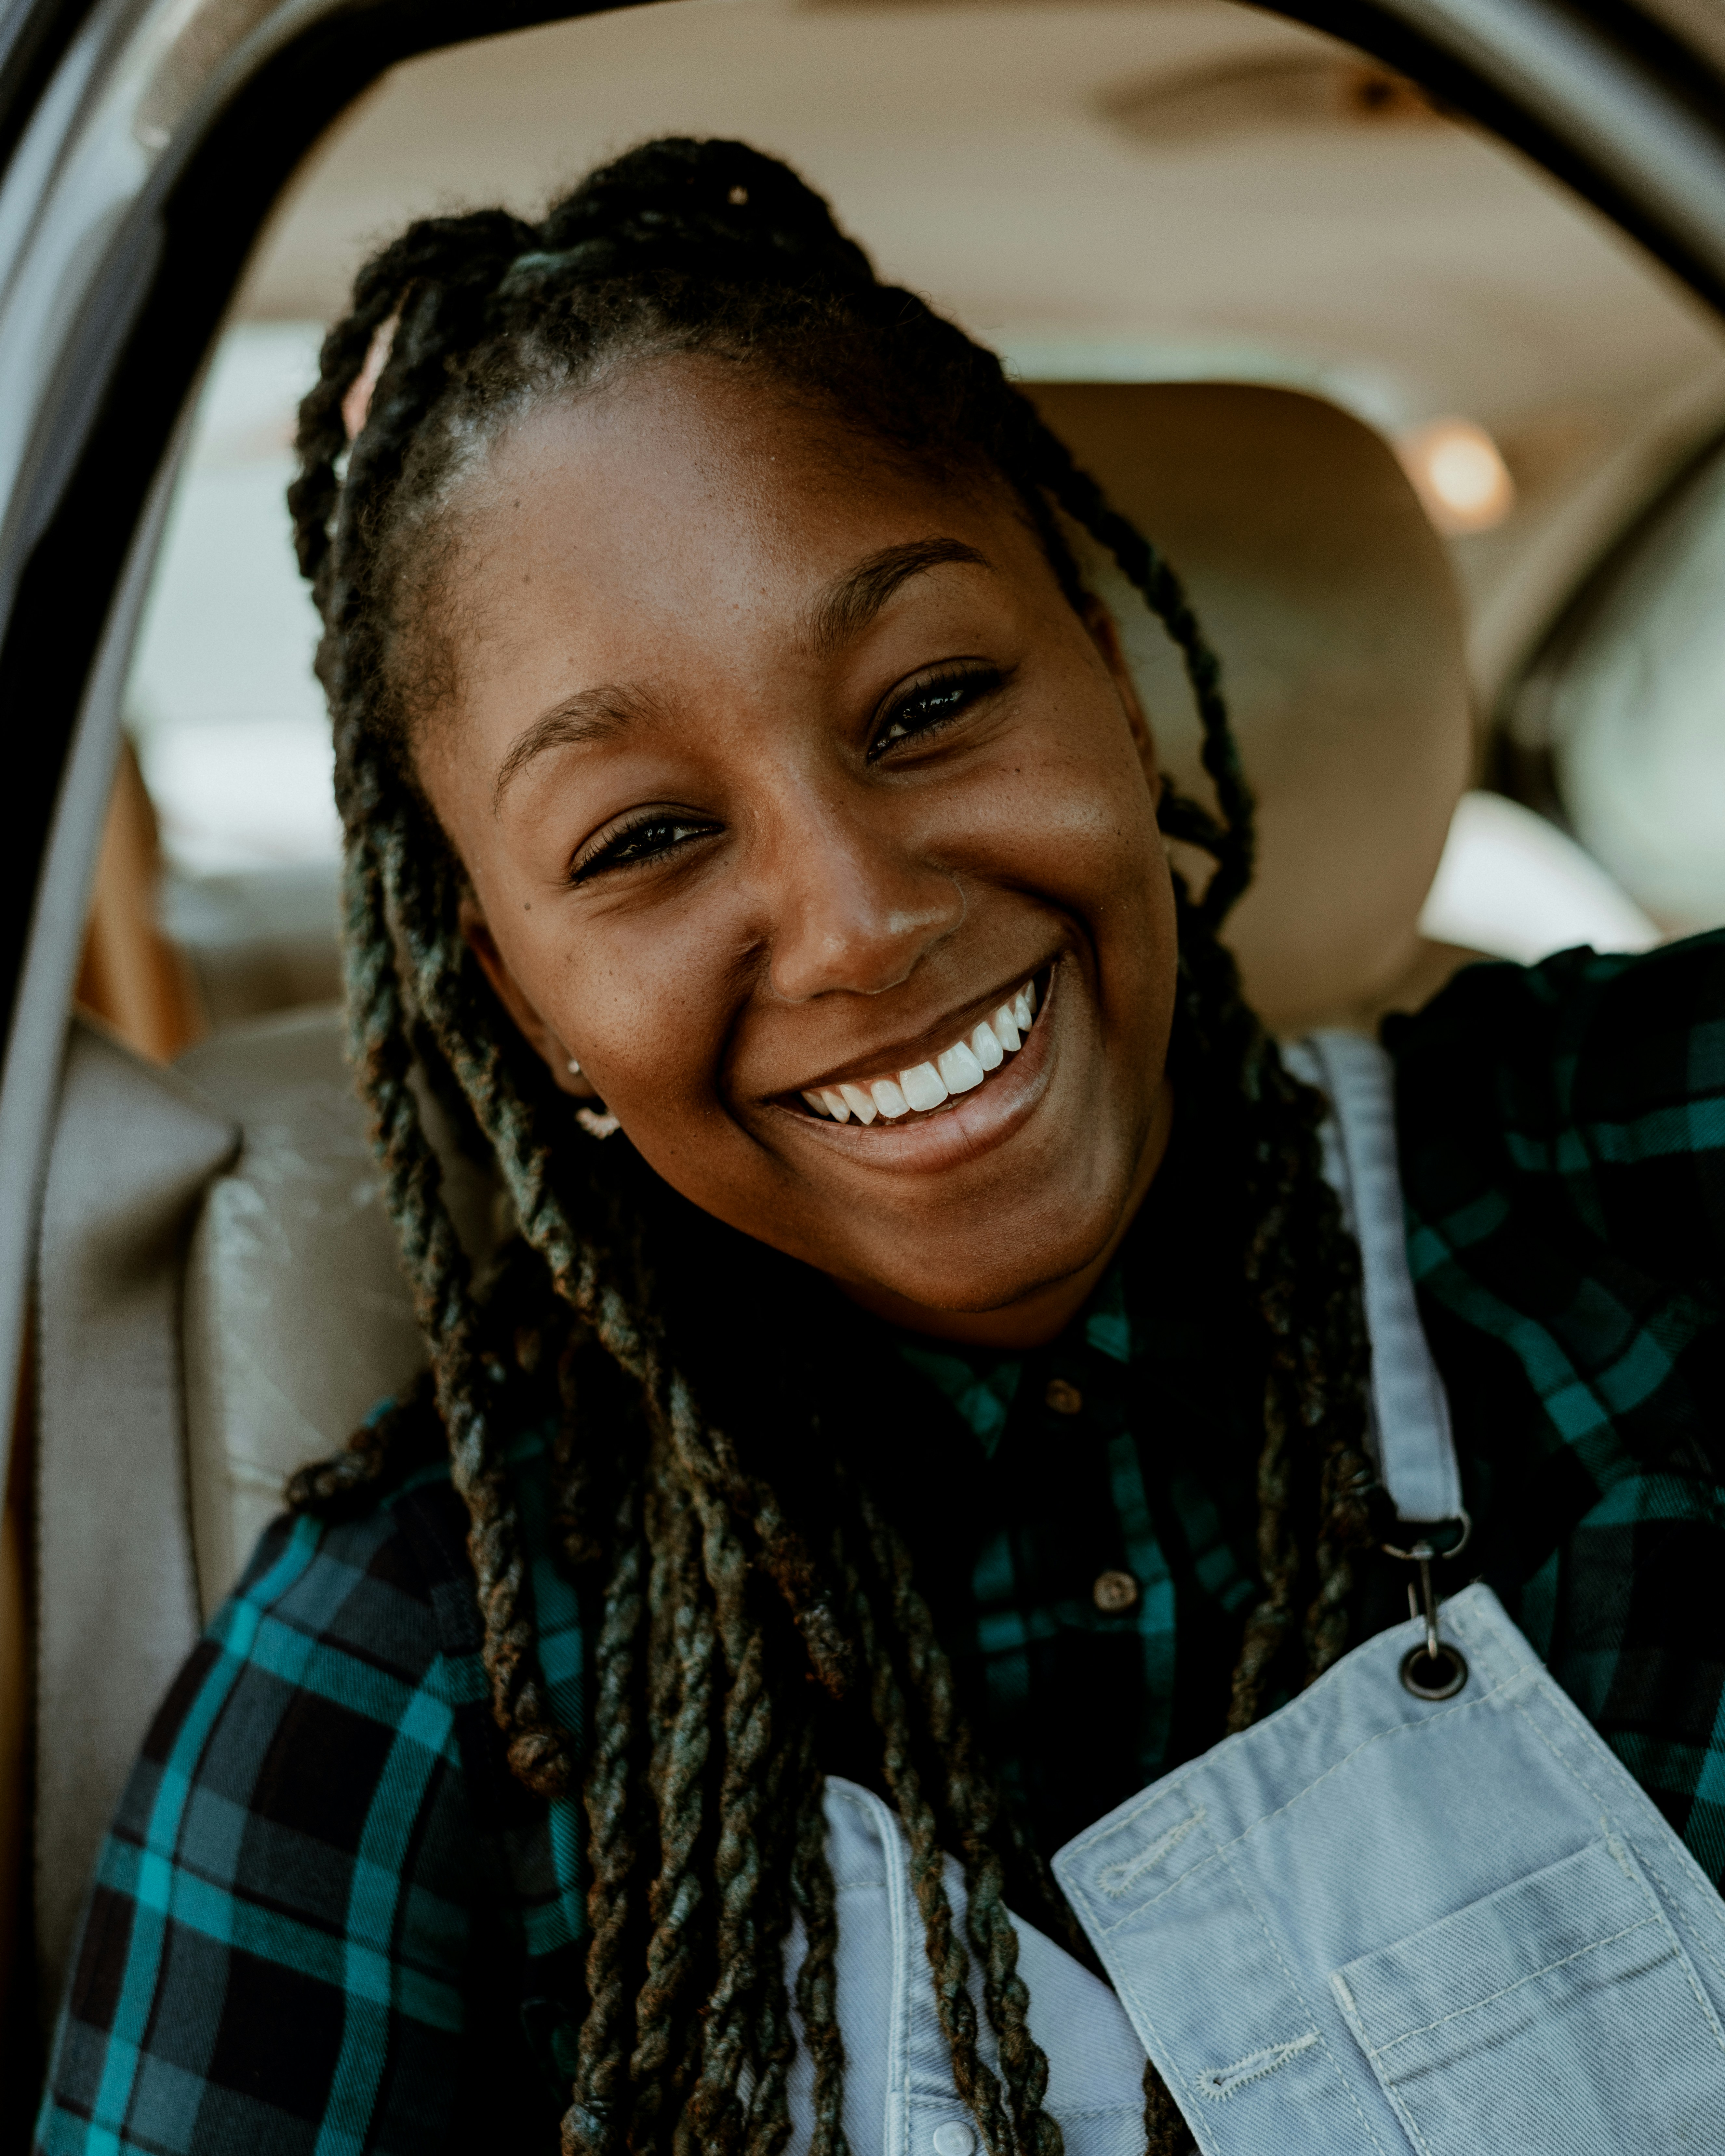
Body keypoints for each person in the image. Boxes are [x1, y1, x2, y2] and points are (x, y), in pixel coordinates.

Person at [32, 136, 1725, 2156]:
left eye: (926, 702)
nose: (855, 920)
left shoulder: (1622, 1179)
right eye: (645, 839)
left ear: (1105, 673)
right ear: (518, 997)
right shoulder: (404, 1686)